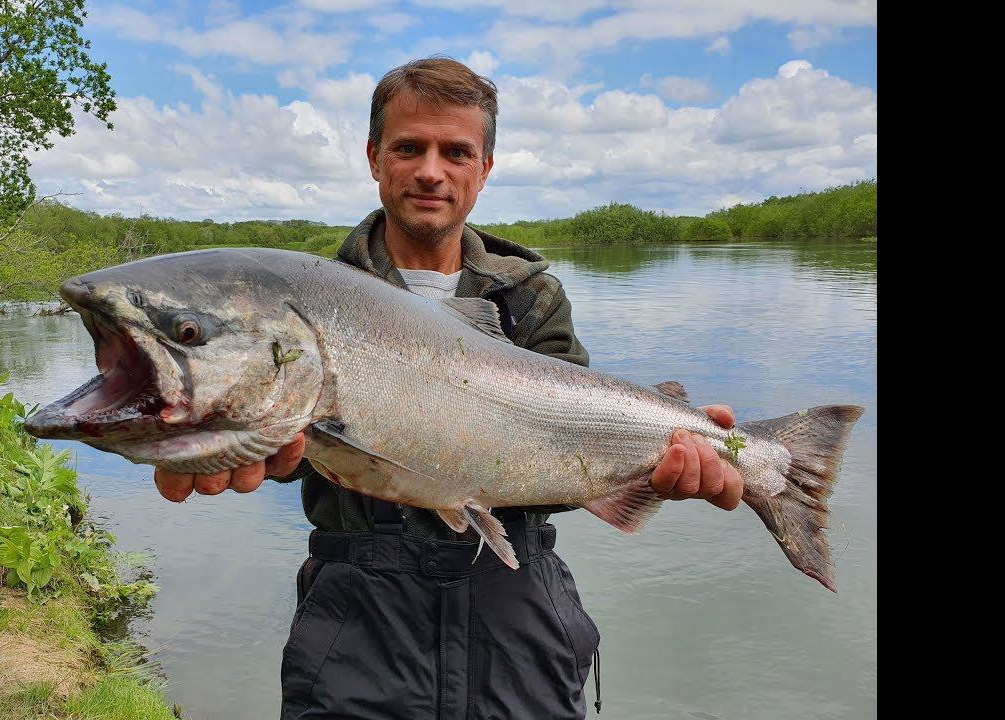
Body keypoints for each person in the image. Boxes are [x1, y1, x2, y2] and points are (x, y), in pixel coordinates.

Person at [152, 57, 744, 720]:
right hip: (357, 622)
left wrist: (653, 468)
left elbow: (562, 457)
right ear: (375, 158)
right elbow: (298, 456)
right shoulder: (309, 296)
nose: (431, 171)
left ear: (484, 168)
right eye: (409, 148)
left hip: (518, 608)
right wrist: (243, 445)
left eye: (455, 152)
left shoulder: (533, 298)